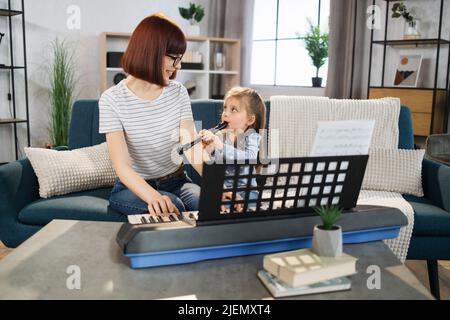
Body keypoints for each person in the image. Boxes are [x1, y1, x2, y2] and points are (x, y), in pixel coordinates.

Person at [99, 14, 206, 217]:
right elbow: (122, 166)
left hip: (177, 181)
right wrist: (152, 196)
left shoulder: (178, 92)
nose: (179, 66)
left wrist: (218, 186)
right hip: (133, 187)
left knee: (205, 203)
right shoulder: (111, 99)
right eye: (175, 58)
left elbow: (192, 147)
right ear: (153, 53)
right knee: (173, 208)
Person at [199, 87, 266, 213]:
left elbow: (249, 157)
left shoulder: (252, 136)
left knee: (248, 204)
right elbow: (212, 167)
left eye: (233, 110)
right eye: (225, 108)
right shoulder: (220, 136)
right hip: (224, 191)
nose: (225, 113)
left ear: (250, 120)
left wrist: (220, 146)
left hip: (247, 191)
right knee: (213, 207)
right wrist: (207, 148)